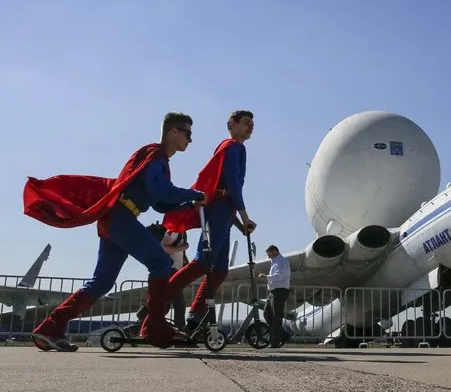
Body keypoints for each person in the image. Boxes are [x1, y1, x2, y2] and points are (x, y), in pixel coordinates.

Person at [24, 111, 207, 351]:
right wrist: (195, 194)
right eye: (187, 133)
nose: (190, 140)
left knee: (101, 282)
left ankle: (50, 328)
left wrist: (188, 202)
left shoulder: (158, 160)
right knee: (161, 263)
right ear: (173, 131)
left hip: (116, 219)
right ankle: (154, 326)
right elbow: (162, 190)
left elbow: (160, 202)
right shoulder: (156, 157)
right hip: (121, 218)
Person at [135, 110, 257, 336]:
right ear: (231, 124)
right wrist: (244, 215)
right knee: (203, 262)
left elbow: (227, 189)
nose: (251, 127)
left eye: (253, 124)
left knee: (219, 270)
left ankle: (194, 318)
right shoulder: (233, 148)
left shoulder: (230, 148)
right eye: (246, 123)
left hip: (223, 210)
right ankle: (154, 307)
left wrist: (240, 224)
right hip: (220, 209)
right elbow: (232, 184)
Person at [258, 245, 291, 348]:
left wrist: (266, 277)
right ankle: (283, 335)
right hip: (273, 292)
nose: (269, 257)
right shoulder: (275, 262)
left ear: (275, 252)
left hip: (279, 291)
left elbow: (280, 275)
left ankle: (275, 342)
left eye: (270, 255)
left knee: (276, 317)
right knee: (267, 314)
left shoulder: (281, 262)